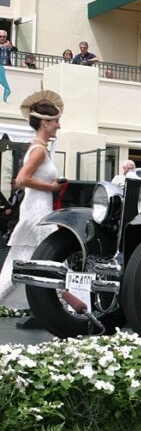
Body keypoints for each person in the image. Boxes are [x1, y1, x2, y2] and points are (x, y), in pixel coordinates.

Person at [0, 90, 65, 309]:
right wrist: (51, 186)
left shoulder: (36, 148)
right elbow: (21, 179)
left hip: (36, 211)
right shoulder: (38, 151)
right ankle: (77, 309)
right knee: (55, 262)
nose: (58, 126)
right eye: (56, 122)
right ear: (45, 123)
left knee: (17, 268)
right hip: (38, 214)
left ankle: (74, 308)